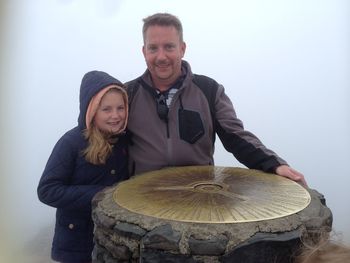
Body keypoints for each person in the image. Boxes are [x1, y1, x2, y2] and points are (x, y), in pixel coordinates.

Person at [125, 12, 307, 186]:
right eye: (153, 48)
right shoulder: (127, 94)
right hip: (142, 198)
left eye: (169, 47)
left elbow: (235, 137)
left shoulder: (209, 90)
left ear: (182, 48)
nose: (161, 56)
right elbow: (104, 143)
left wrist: (275, 165)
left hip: (198, 197)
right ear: (144, 51)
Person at [37, 71, 129, 263]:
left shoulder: (124, 141)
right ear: (92, 109)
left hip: (110, 243)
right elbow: (47, 190)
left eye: (121, 108)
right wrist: (101, 195)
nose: (115, 115)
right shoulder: (71, 143)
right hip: (75, 245)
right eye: (107, 109)